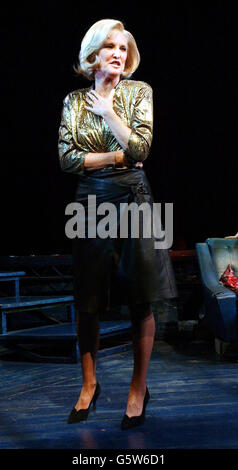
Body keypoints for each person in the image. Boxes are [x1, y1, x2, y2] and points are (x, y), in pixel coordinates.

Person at [58, 19, 177, 429]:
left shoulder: (137, 91)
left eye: (123, 48)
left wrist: (108, 111)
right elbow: (66, 159)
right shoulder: (73, 101)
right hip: (89, 199)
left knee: (143, 296)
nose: (117, 53)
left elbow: (142, 148)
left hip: (135, 196)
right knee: (87, 297)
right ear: (92, 54)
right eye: (109, 46)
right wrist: (115, 156)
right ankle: (89, 386)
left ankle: (137, 388)